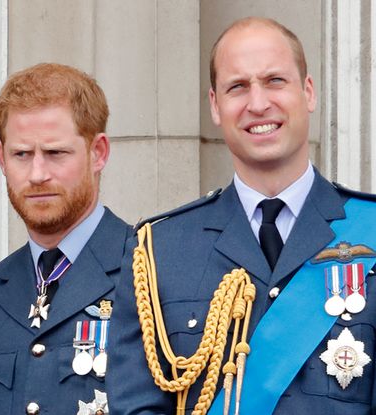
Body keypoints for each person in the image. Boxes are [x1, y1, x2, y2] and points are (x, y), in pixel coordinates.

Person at [107, 17, 376, 415]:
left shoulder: (368, 231)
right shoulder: (158, 253)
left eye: (274, 81)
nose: (257, 103)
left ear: (308, 91)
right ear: (216, 106)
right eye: (238, 87)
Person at [0, 63, 131, 415]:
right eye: (21, 154)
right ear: (1, 158)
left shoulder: (150, 273)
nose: (37, 174)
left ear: (98, 153)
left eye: (55, 153)